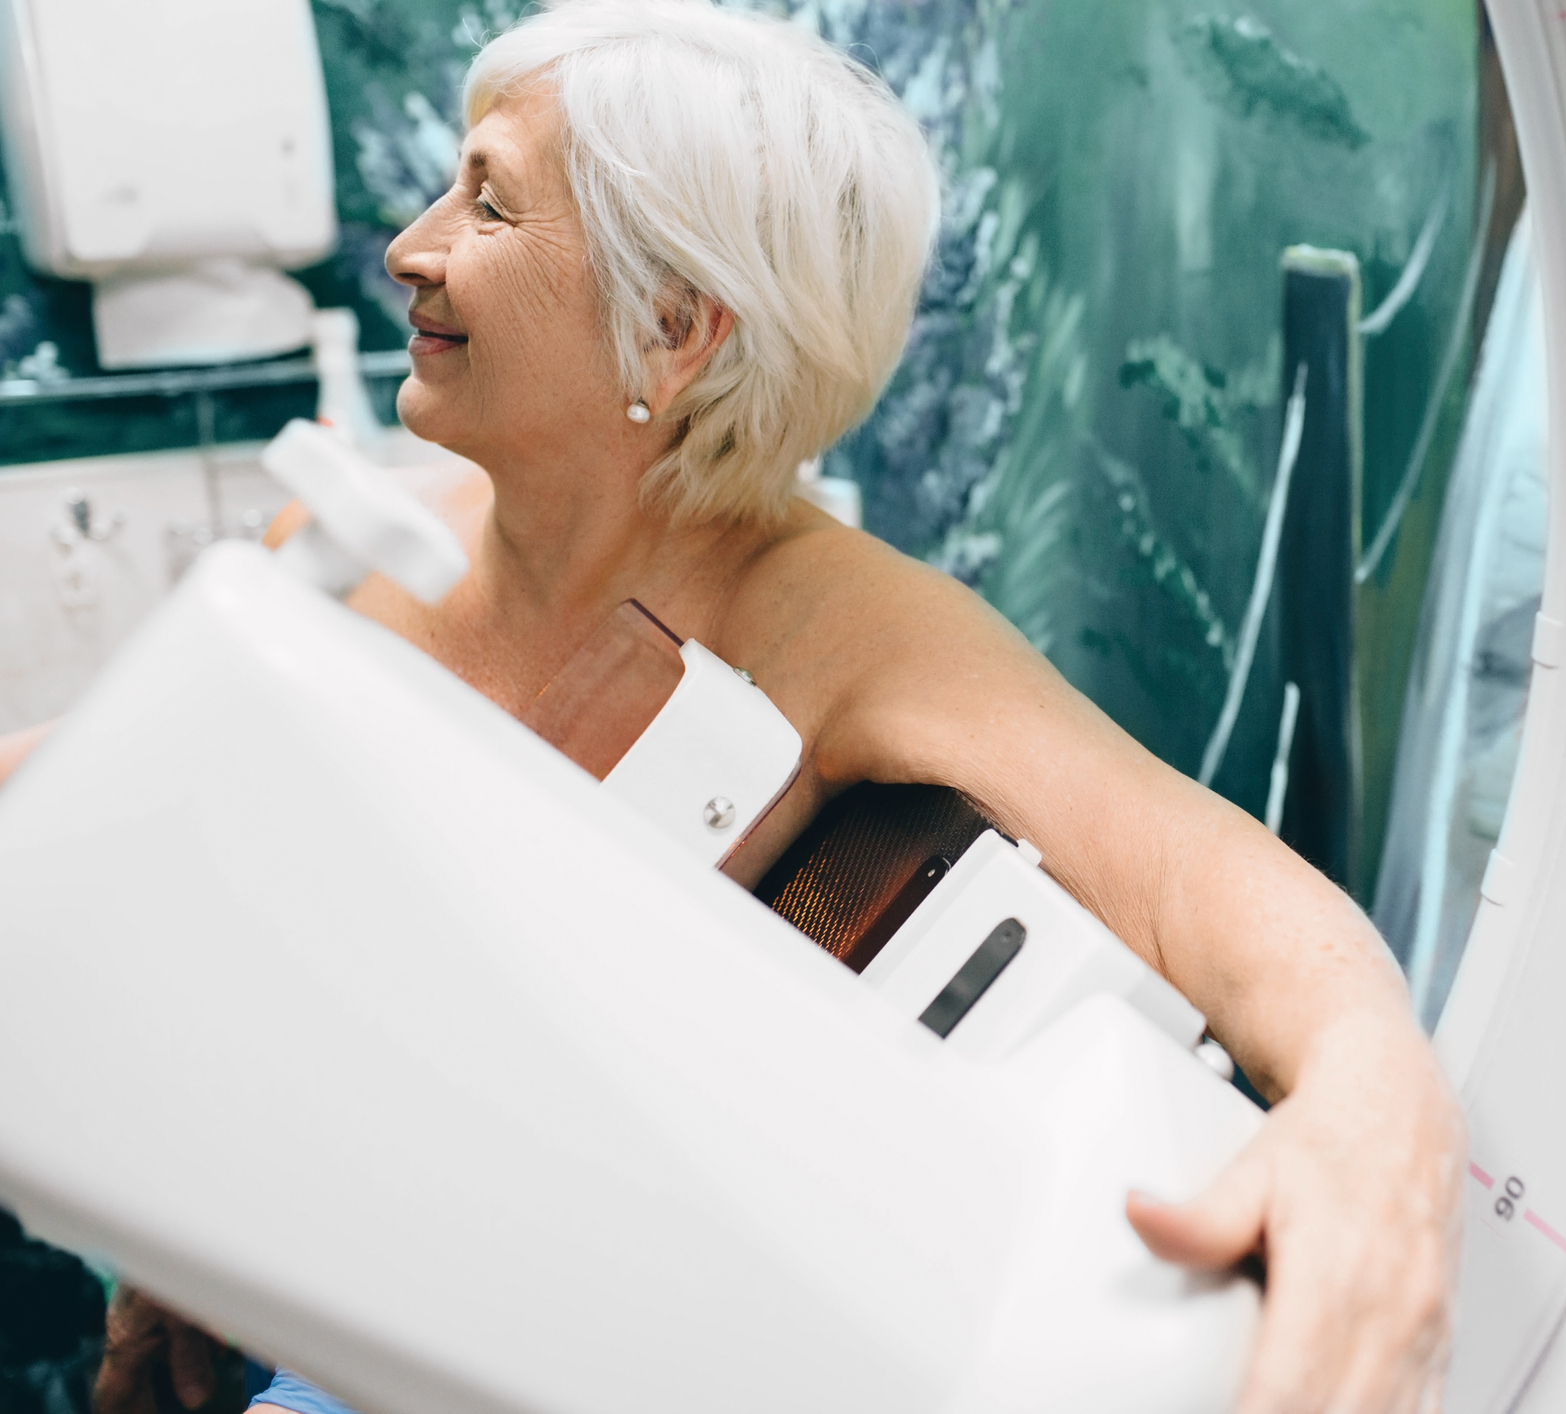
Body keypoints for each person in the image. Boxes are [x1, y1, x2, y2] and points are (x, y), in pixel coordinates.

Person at [29, 3, 1465, 1411]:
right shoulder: (347, 576)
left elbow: (1220, 896)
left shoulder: (832, 627)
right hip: (347, 1291)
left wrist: (1373, 1132)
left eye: (486, 202)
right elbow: (223, 919)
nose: (408, 248)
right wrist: (180, 1263)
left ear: (670, 328)